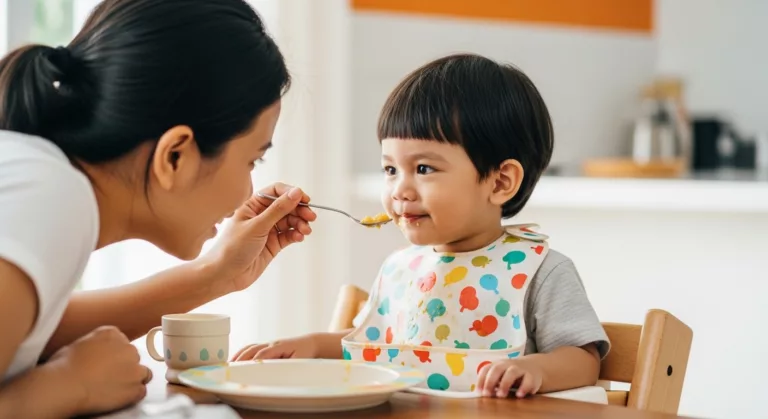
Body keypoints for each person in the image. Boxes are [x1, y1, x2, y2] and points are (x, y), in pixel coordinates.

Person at [0, 0, 316, 417]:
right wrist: (69, 386)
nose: (248, 191)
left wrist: (217, 274)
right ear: (175, 157)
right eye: (251, 160)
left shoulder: (40, 180)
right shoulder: (50, 194)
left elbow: (35, 331)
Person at [233, 53, 610, 398]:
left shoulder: (541, 270)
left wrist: (534, 369)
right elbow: (375, 345)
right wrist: (315, 345)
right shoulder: (401, 268)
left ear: (500, 182)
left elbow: (584, 358)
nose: (400, 190)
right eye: (390, 170)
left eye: (424, 169)